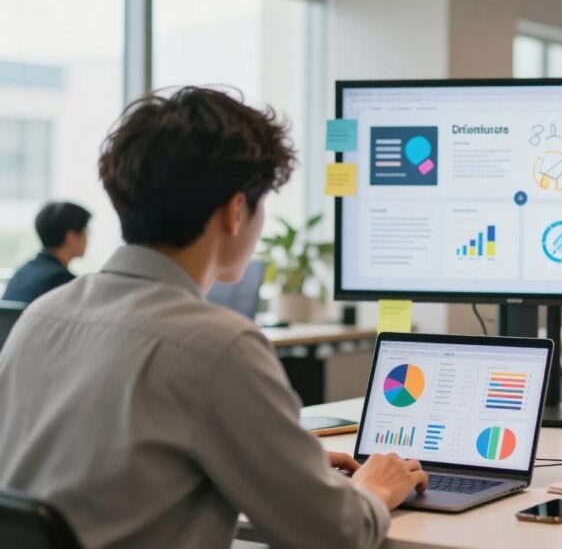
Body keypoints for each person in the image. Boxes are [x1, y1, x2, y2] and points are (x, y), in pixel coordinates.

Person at [0, 87, 427, 549]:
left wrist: (285, 467)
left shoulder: (44, 315)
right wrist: (377, 487)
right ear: (236, 210)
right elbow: (336, 534)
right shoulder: (215, 345)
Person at [2, 201, 90, 303]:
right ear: (71, 237)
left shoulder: (22, 272)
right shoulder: (62, 281)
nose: (87, 239)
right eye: (85, 232)